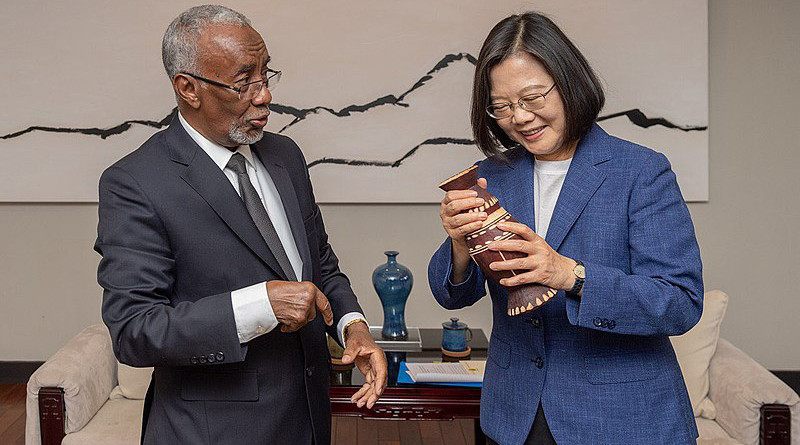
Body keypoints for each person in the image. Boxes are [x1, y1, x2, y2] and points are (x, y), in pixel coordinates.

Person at [95, 5, 387, 444]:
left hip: (307, 417)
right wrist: (259, 305)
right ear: (188, 88)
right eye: (243, 80)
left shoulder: (286, 155)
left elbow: (319, 262)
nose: (264, 94)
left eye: (266, 74)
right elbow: (136, 330)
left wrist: (352, 325)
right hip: (211, 432)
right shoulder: (134, 182)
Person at [428, 12, 703, 445]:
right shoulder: (491, 175)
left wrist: (570, 275)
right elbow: (454, 295)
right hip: (515, 417)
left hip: (622, 421)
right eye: (501, 107)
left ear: (568, 81)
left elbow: (680, 303)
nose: (519, 118)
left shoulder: (641, 171)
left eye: (533, 97)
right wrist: (459, 244)